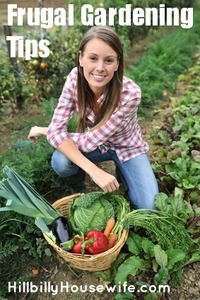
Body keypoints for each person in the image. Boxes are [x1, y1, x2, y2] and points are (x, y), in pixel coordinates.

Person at [28, 26, 159, 209]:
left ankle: (125, 178)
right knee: (61, 161)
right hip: (97, 146)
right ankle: (78, 187)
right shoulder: (74, 79)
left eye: (108, 60)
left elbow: (88, 141)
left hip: (127, 148)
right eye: (93, 58)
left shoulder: (130, 94)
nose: (100, 68)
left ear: (117, 63)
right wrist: (94, 171)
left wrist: (47, 131)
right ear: (81, 58)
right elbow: (65, 134)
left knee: (149, 206)